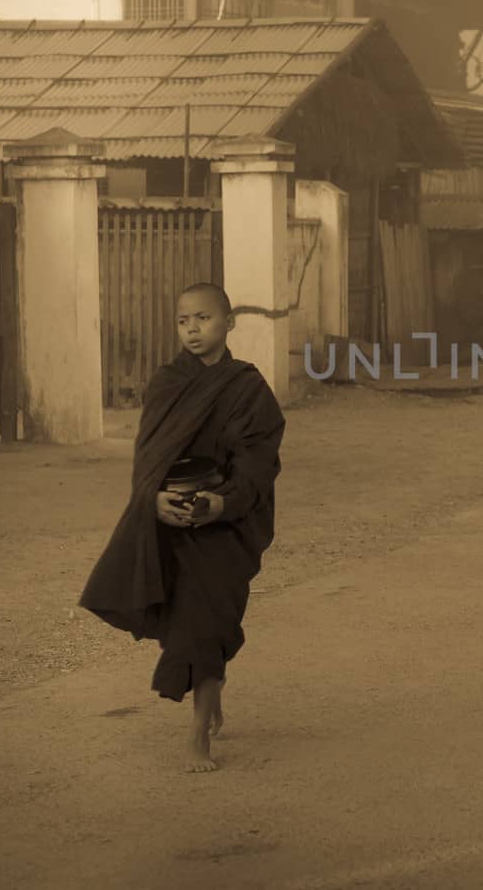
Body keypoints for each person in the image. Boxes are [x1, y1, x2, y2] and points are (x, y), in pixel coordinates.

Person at [79, 282, 286, 773]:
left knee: (210, 618)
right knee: (192, 623)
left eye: (204, 319)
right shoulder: (167, 383)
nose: (193, 330)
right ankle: (205, 706)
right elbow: (147, 456)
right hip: (171, 516)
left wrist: (222, 504)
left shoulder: (249, 388)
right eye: (183, 321)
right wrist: (151, 499)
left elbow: (258, 464)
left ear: (229, 322)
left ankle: (198, 734)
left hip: (223, 520)